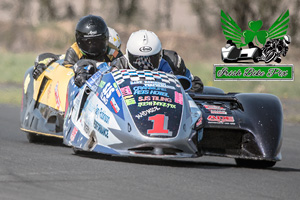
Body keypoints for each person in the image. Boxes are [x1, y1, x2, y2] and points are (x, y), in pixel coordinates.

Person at [32, 15, 122, 80]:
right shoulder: (74, 51)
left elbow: (123, 64)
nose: (93, 46)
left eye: (98, 42)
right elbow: (67, 75)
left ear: (105, 39)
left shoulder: (112, 50)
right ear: (79, 41)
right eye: (89, 42)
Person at [111, 29, 203, 93]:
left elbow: (195, 84)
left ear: (160, 55)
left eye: (151, 59)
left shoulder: (173, 61)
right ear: (128, 55)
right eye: (139, 60)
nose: (145, 66)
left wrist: (180, 89)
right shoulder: (119, 65)